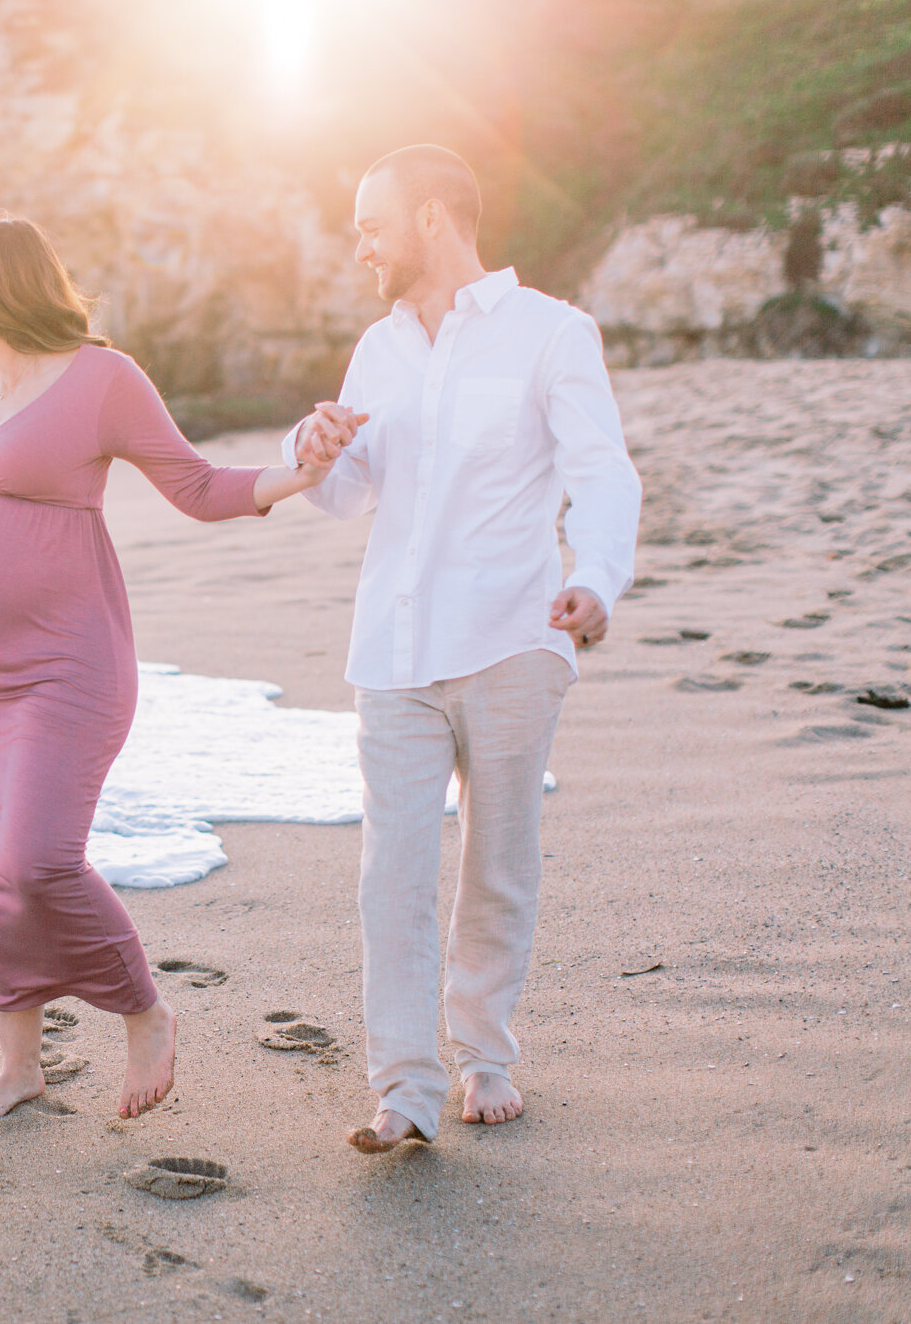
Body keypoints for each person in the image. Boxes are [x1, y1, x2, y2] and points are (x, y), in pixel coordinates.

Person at [0, 217, 338, 1123]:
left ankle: (144, 1010)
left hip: (63, 668)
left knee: (34, 860)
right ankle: (19, 1065)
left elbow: (194, 487)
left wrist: (293, 476)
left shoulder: (104, 378)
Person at [285, 146, 642, 1153]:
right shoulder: (376, 349)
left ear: (434, 218)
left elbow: (600, 470)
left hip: (509, 637)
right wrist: (308, 451)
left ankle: (482, 1055)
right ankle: (402, 1085)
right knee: (387, 876)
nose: (359, 245)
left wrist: (595, 577)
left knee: (496, 861)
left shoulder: (550, 333)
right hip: (390, 649)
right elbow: (343, 490)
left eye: (371, 224)